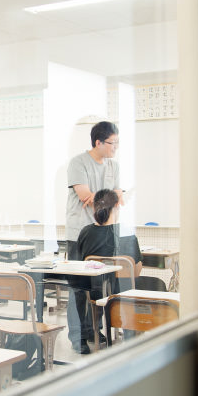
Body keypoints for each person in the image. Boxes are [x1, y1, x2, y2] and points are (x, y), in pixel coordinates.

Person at [65, 120, 124, 353]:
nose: (115, 147)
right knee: (79, 289)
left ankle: (93, 330)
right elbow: (85, 196)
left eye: (118, 143)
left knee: (100, 286)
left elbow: (112, 196)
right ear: (98, 142)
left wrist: (111, 196)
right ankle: (78, 336)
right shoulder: (78, 163)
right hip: (80, 232)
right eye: (112, 143)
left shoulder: (114, 166)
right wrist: (112, 197)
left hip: (104, 232)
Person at [73, 189, 143, 352]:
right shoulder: (125, 232)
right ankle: (130, 333)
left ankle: (87, 333)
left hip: (95, 293)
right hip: (120, 294)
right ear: (117, 207)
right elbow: (136, 271)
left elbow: (79, 264)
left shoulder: (85, 232)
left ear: (94, 208)